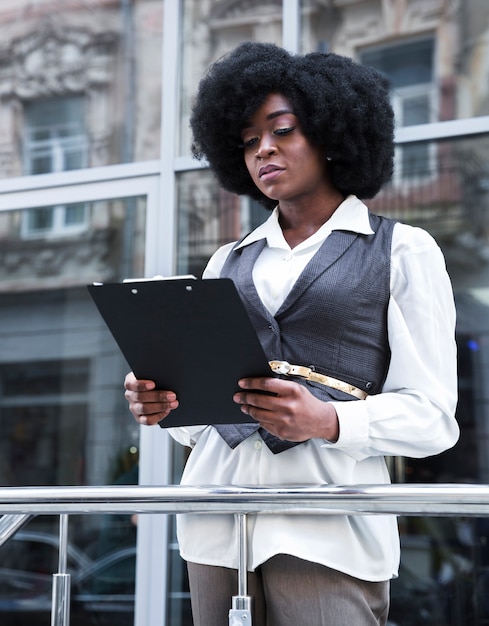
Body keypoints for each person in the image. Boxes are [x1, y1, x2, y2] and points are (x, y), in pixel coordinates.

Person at [124, 41, 460, 626]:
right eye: (249, 141)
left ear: (333, 134)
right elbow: (198, 429)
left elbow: (434, 418)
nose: (264, 151)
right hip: (215, 528)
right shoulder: (227, 259)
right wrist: (167, 402)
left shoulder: (403, 249)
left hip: (328, 530)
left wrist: (329, 422)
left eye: (282, 131)